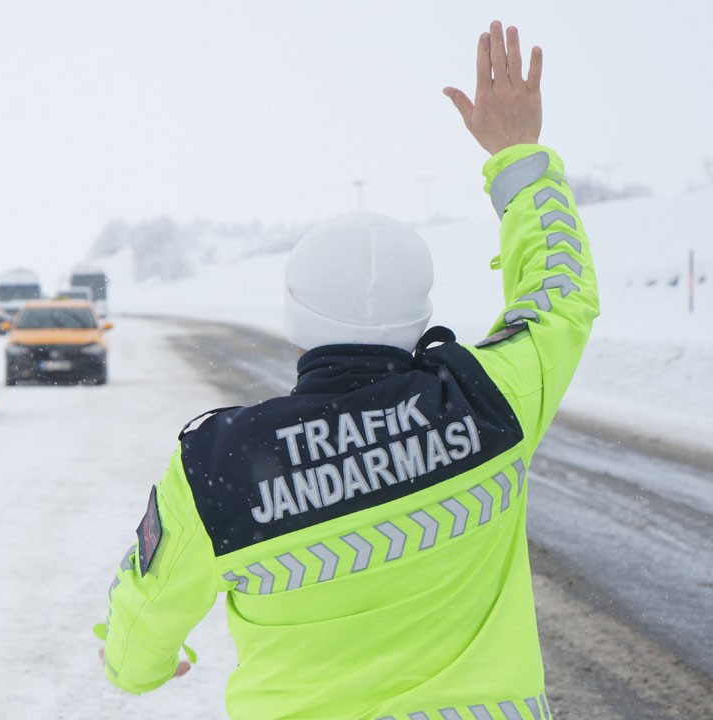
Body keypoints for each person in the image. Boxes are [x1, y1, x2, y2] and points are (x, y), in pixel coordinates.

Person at [96, 21, 597, 719]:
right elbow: (559, 294)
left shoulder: (216, 466)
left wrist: (142, 667)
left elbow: (140, 625)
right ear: (420, 316)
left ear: (294, 320)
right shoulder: (490, 400)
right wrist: (516, 153)